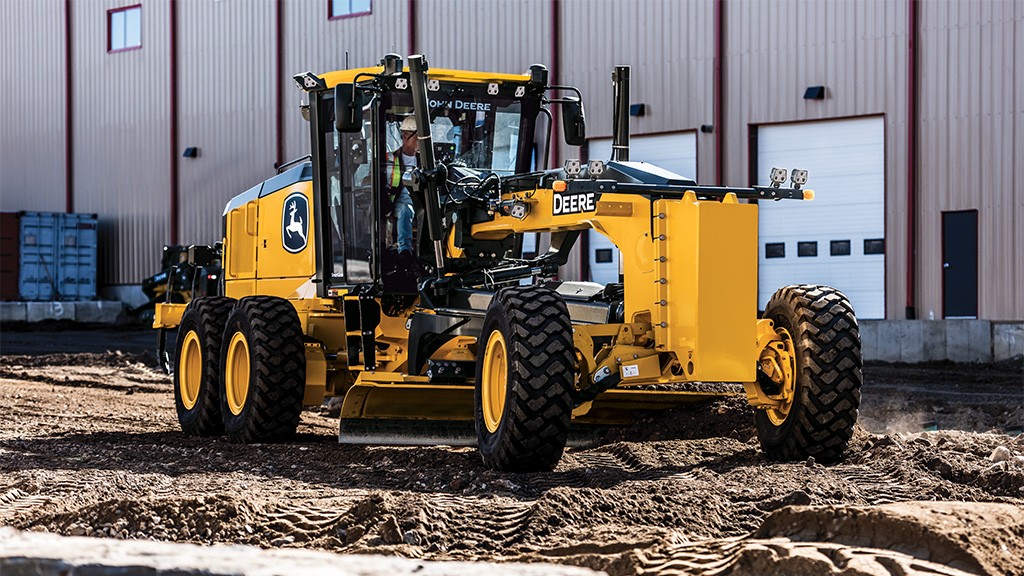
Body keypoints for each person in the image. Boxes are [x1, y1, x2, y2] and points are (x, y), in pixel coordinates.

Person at [387, 116, 419, 255]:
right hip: (398, 201)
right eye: (418, 137)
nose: (420, 141)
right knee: (406, 210)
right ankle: (404, 250)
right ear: (406, 136)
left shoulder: (426, 160)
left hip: (421, 201)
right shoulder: (390, 159)